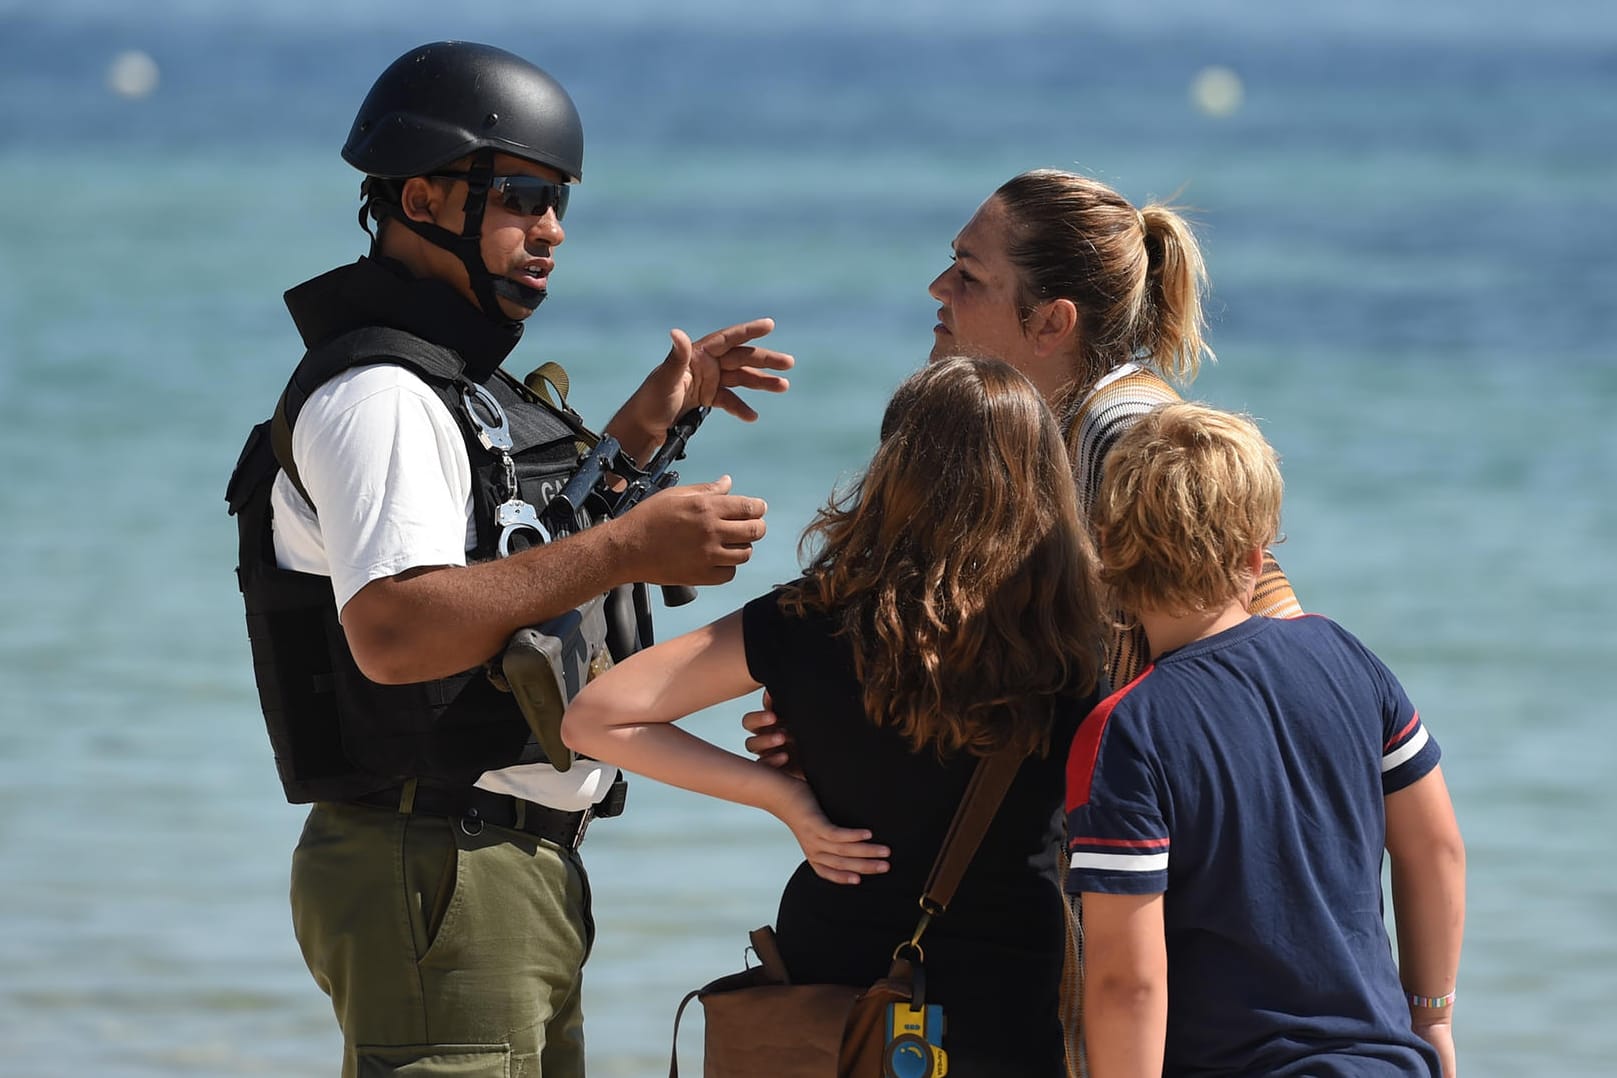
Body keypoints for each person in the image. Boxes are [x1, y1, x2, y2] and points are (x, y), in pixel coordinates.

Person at [224, 41, 792, 1078]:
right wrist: (630, 547)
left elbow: (518, 541)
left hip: (492, 864)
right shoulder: (382, 397)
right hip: (441, 861)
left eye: (559, 202)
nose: (552, 231)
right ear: (428, 199)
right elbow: (395, 629)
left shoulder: (444, 385)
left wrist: (647, 427)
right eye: (524, 197)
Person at [563, 355, 1110, 1076]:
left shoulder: (813, 618)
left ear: (893, 471)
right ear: (1041, 481)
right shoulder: (1076, 642)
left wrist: (782, 796)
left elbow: (595, 719)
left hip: (833, 989)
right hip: (1003, 996)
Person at [744, 168, 1301, 755]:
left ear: (1052, 322)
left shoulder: (1127, 435)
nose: (938, 288)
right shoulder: (1054, 426)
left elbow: (1270, 645)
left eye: (969, 275)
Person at [1066, 402, 1466, 1078]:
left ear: (1107, 552)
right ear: (1255, 555)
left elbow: (1125, 986)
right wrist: (1430, 1016)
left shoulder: (1124, 731)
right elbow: (1436, 848)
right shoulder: (1342, 656)